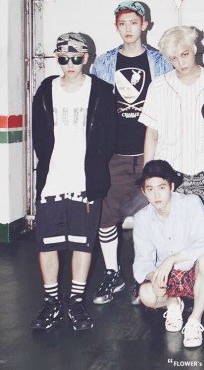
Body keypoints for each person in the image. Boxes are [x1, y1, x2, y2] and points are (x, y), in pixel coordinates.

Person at [31, 32, 116, 331]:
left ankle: (76, 301)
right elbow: (39, 136)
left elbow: (109, 137)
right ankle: (52, 302)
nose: (70, 64)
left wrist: (94, 167)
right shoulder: (46, 90)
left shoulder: (101, 92)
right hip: (52, 181)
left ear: (86, 58)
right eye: (64, 59)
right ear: (57, 58)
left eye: (76, 58)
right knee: (47, 243)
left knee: (83, 243)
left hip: (86, 182)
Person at [90, 1, 172, 306]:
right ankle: (112, 273)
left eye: (133, 23)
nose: (128, 29)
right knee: (106, 215)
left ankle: (149, 278)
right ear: (116, 27)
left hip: (152, 151)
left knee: (154, 217)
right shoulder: (104, 63)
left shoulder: (160, 61)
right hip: (116, 153)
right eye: (122, 24)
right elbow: (96, 109)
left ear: (145, 25)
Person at [139, 25, 204, 221]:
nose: (180, 62)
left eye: (184, 55)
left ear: (194, 48)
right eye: (174, 58)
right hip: (168, 170)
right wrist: (148, 172)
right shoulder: (158, 86)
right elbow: (151, 132)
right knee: (170, 225)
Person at [133, 160, 204, 347]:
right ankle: (173, 303)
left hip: (193, 271)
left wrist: (173, 259)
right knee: (145, 294)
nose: (156, 195)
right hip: (168, 277)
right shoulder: (141, 218)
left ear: (171, 187)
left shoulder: (191, 203)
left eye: (161, 187)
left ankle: (194, 320)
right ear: (143, 191)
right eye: (150, 189)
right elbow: (142, 261)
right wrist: (153, 277)